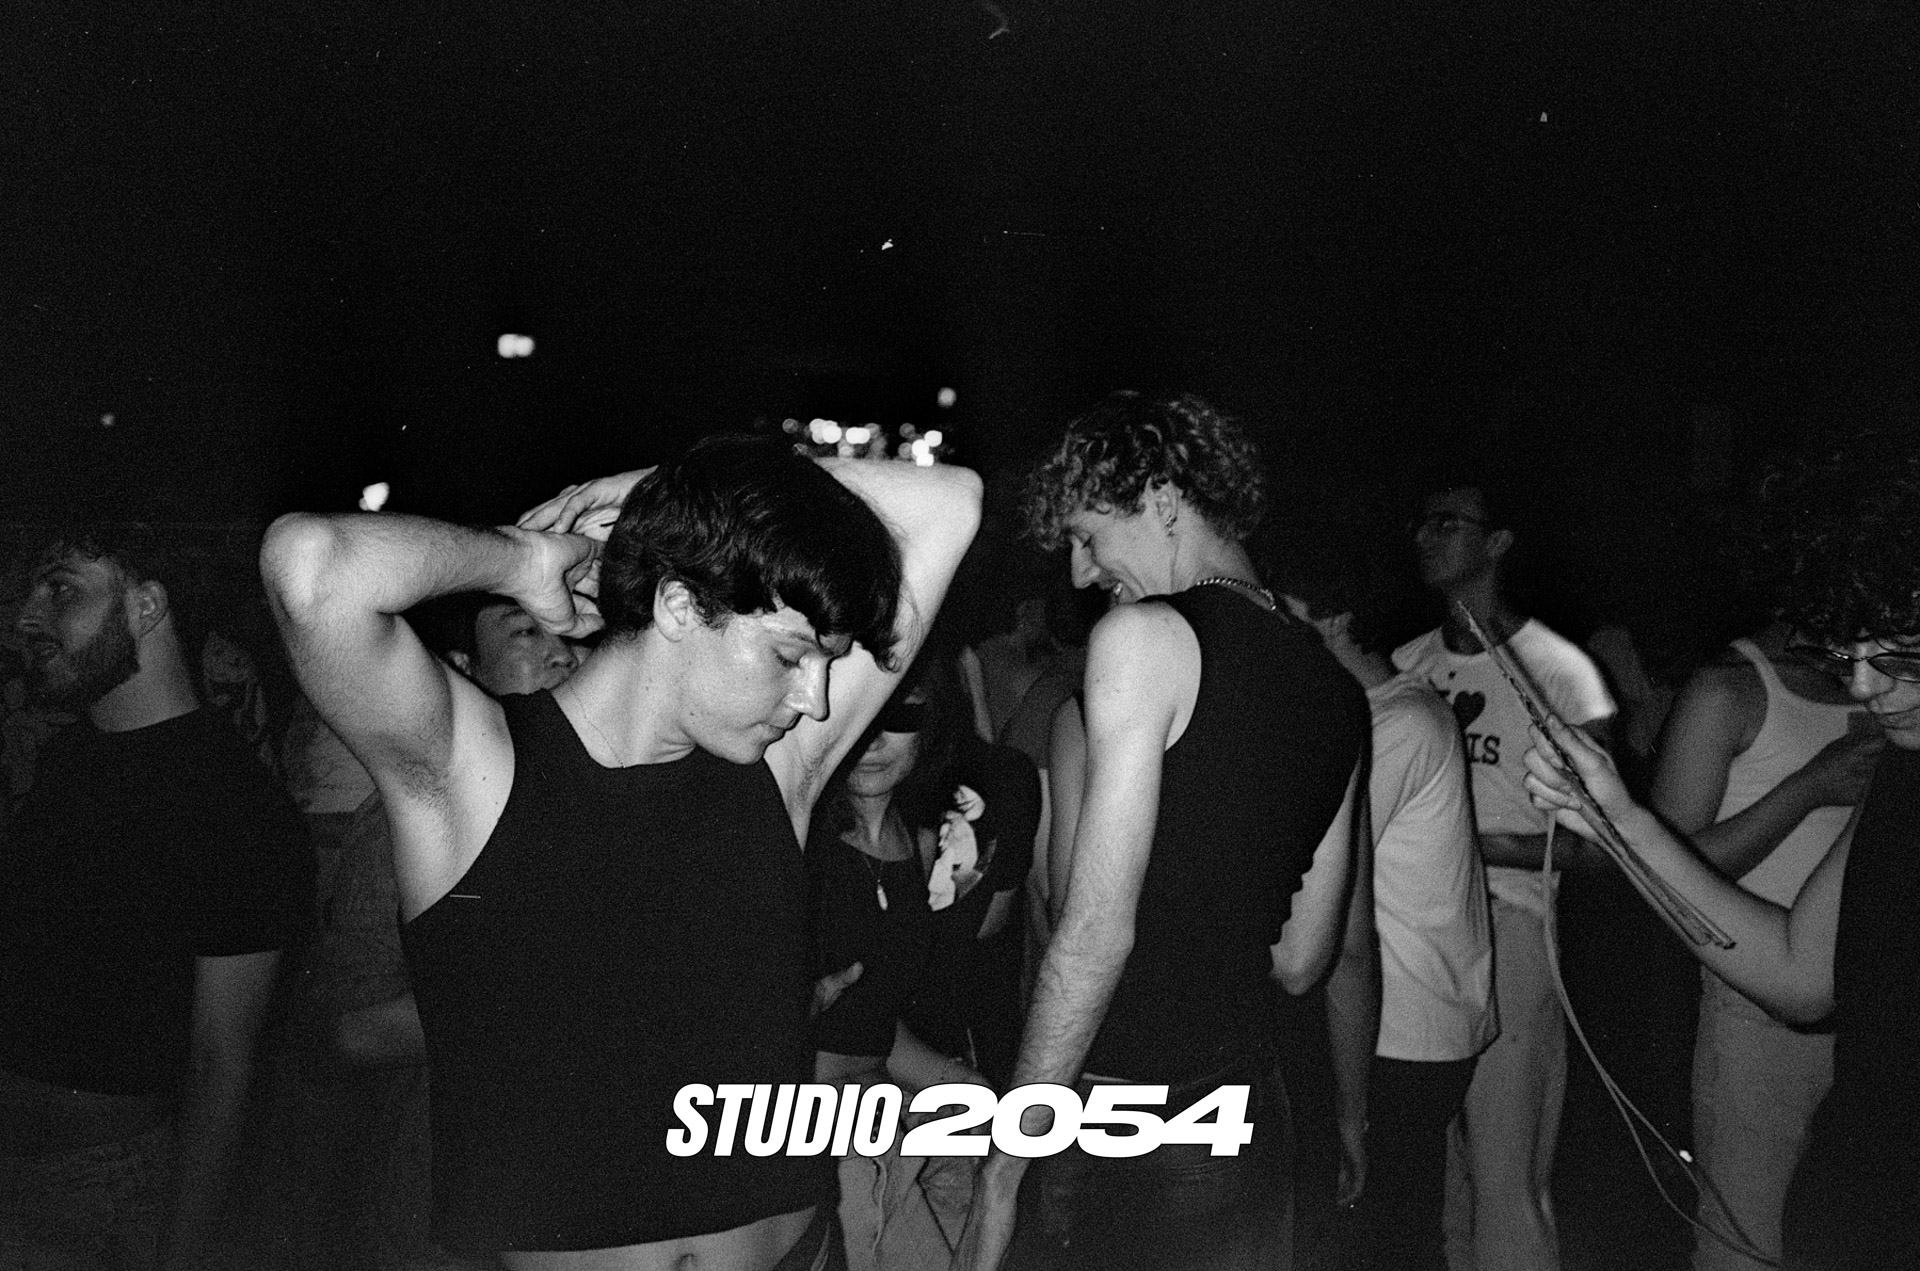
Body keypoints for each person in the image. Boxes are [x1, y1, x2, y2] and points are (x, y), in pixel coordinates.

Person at [261, 434, 980, 1271]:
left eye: (824, 663)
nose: (815, 698)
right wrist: (522, 558)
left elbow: (952, 501)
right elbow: (307, 566)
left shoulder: (781, 765)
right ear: (679, 606)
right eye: (791, 654)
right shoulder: (475, 767)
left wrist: (669, 496)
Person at [955, 391, 1373, 1271]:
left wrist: (1002, 1171)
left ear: (1162, 498)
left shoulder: (1144, 637)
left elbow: (1092, 930)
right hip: (1248, 1118)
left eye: (1087, 536)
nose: (1080, 574)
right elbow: (1303, 959)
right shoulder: (1337, 692)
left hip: (1129, 1129)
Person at [1524, 436, 1920, 1270]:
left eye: (1895, 654)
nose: (1862, 685)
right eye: (1849, 651)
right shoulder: (1898, 772)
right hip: (1855, 1183)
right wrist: (1621, 818)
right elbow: (1800, 975)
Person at [1, 522, 313, 1270]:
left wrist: (184, 1254)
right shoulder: (66, 761)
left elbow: (222, 1064)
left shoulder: (235, 806)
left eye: (62, 590)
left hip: (100, 1189)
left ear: (145, 606)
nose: (25, 618)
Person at [314, 593, 582, 1270]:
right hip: (442, 1209)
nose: (563, 653)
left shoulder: (611, 802)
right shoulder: (410, 819)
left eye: (577, 633)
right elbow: (352, 1031)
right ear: (466, 667)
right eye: (526, 632)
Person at [1392, 479, 1615, 1271]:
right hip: (1414, 934)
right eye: (1422, 521)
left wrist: (1464, 843)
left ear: (1497, 541)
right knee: (1437, 1176)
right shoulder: (1406, 665)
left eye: (1447, 522)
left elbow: (1601, 846)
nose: (1426, 535)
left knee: (1506, 1172)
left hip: (1510, 928)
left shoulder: (1563, 672)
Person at [1283, 563, 1498, 1271]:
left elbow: (1313, 881)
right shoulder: (1381, 713)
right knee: (1399, 1233)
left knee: (1385, 1240)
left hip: (1405, 1029)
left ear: (1336, 618)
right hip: (1401, 1022)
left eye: (1285, 607)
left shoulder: (1394, 723)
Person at [1649, 620, 1881, 1271]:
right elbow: (1661, 873)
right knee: (1745, 1245)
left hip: (1878, 1016)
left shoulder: (1892, 683)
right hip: (1757, 1018)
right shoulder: (1728, 688)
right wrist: (1808, 789)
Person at [807, 663, 1017, 1271]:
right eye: (859, 709)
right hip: (817, 1136)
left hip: (881, 1117)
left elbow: (873, 1024)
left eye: (899, 714)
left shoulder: (920, 842)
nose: (874, 739)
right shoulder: (796, 837)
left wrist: (966, 1088)